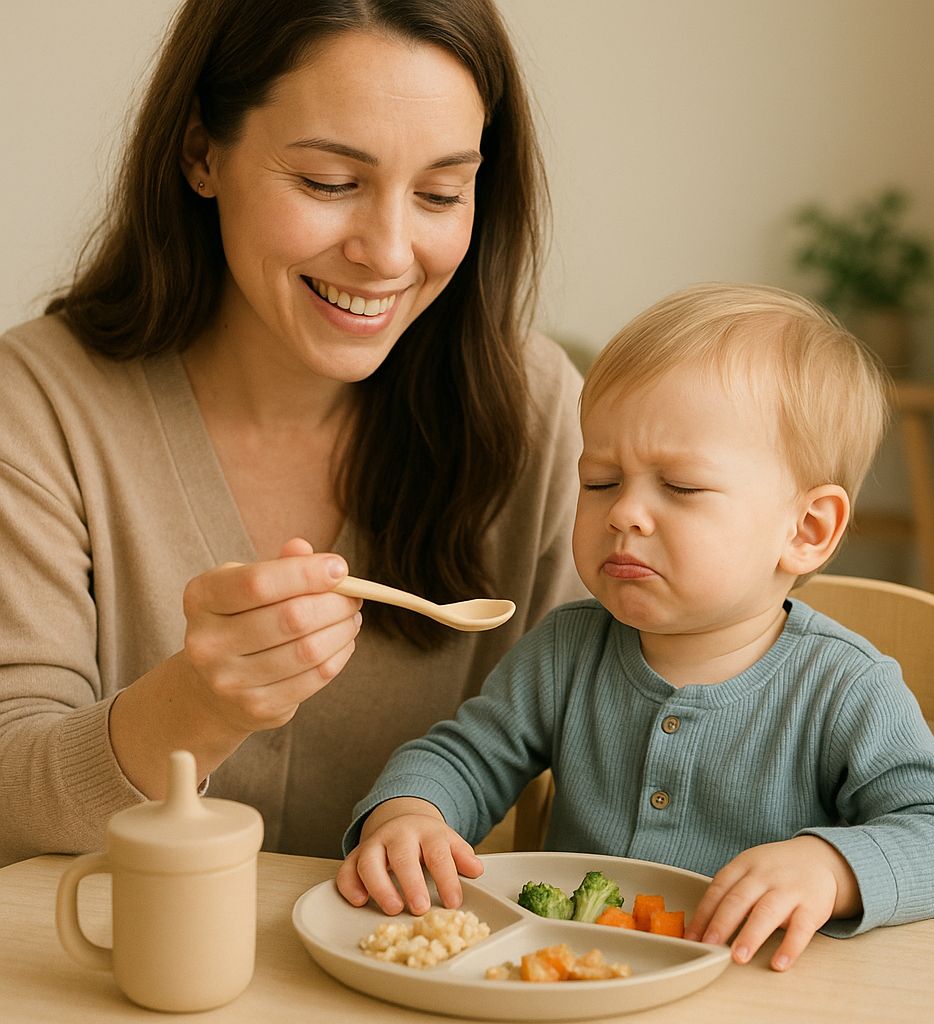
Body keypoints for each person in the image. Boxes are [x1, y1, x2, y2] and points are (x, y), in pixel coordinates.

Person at [0, 0, 587, 867]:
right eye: (329, 182)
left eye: (439, 194)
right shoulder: (37, 406)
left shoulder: (538, 413)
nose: (389, 253)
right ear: (202, 153)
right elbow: (8, 806)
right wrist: (199, 706)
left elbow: (634, 719)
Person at [336, 283, 934, 971]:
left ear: (806, 530)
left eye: (680, 487)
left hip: (759, 994)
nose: (624, 513)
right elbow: (463, 758)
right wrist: (410, 814)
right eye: (600, 481)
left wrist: (830, 867)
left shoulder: (845, 687)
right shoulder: (565, 650)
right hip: (576, 982)